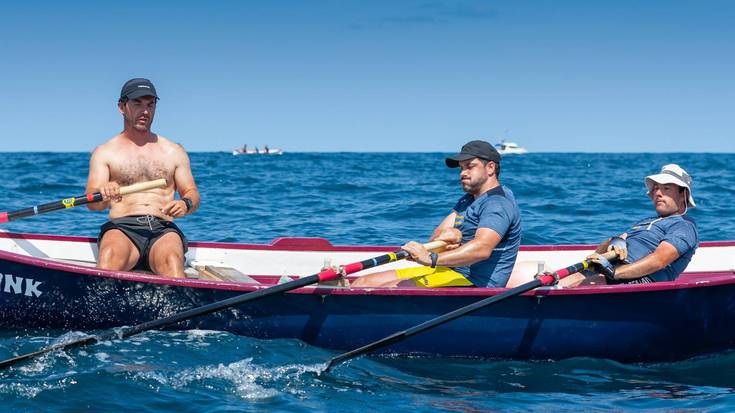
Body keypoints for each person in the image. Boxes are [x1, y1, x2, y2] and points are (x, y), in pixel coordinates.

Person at [351, 140, 522, 288]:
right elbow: (436, 238)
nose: (463, 173)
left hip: (475, 282)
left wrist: (430, 259)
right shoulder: (468, 200)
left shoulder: (498, 203)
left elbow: (481, 249)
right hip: (449, 271)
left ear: (490, 168)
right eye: (461, 168)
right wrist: (445, 240)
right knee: (363, 282)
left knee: (389, 288)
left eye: (470, 166)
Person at [86, 78, 201, 278]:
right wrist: (103, 193)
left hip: (163, 229)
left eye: (150, 104)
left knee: (173, 263)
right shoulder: (105, 152)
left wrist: (186, 203)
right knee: (110, 257)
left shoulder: (173, 151)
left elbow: (192, 194)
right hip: (122, 228)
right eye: (137, 103)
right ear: (122, 107)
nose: (145, 111)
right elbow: (92, 203)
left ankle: (180, 309)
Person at [562, 164, 698, 286]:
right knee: (562, 280)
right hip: (608, 271)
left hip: (640, 281)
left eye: (666, 188)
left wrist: (613, 272)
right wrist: (615, 242)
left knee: (587, 283)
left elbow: (659, 260)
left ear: (683, 195)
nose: (657, 193)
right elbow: (597, 254)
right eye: (656, 189)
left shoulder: (684, 225)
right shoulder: (644, 222)